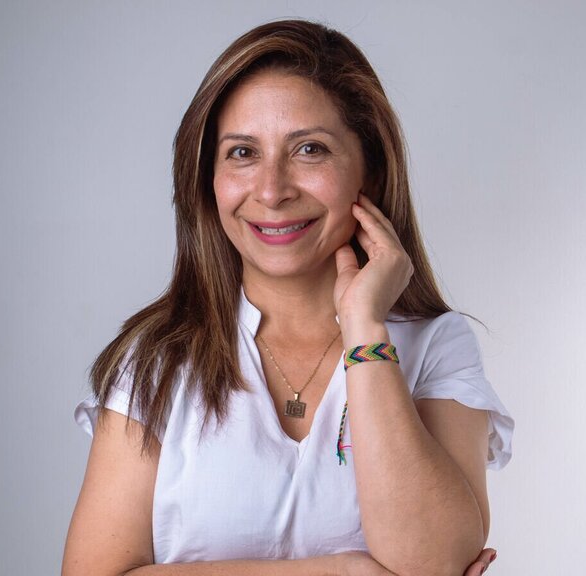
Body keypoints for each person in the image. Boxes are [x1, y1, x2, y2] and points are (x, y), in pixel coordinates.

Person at [63, 19, 514, 576]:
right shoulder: (156, 359)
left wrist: (365, 328)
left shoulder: (436, 346)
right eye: (242, 153)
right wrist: (342, 572)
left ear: (370, 171)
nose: (272, 190)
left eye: (309, 149)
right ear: (208, 178)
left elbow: (433, 564)